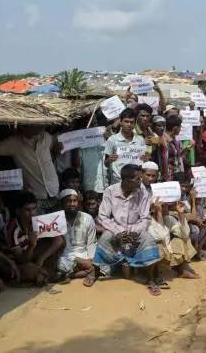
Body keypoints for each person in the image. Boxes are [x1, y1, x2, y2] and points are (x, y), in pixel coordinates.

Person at [89, 165, 161, 295]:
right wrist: (118, 233)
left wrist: (135, 232)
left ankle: (150, 279)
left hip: (136, 229)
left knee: (149, 240)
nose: (141, 181)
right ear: (127, 181)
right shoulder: (110, 191)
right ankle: (95, 271)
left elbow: (145, 218)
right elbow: (103, 217)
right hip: (116, 227)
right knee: (105, 238)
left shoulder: (143, 192)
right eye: (138, 179)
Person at [0, 126, 63, 215]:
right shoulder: (14, 143)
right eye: (35, 124)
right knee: (42, 230)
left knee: (60, 226)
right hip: (36, 199)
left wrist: (58, 148)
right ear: (24, 127)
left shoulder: (46, 137)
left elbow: (56, 143)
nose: (40, 126)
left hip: (54, 191)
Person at [4, 191, 65, 286]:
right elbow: (21, 259)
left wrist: (41, 258)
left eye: (34, 209)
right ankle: (43, 273)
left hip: (33, 256)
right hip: (18, 261)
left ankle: (42, 272)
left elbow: (59, 240)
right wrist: (31, 244)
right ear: (18, 212)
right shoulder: (12, 228)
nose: (32, 213)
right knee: (28, 269)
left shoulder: (37, 221)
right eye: (27, 210)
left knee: (60, 240)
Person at [57, 189, 97, 285]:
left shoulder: (87, 218)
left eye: (75, 201)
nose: (72, 204)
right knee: (61, 264)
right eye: (68, 201)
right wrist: (77, 260)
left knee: (102, 265)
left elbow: (91, 241)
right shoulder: (56, 220)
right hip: (65, 257)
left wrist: (90, 259)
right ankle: (87, 271)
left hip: (84, 254)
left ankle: (69, 275)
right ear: (62, 204)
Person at [104, 108, 148, 185]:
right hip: (117, 182)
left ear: (135, 124)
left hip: (135, 182)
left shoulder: (140, 140)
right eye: (126, 121)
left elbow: (143, 162)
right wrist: (108, 160)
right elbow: (104, 163)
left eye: (131, 122)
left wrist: (145, 159)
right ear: (121, 122)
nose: (129, 124)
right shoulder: (112, 140)